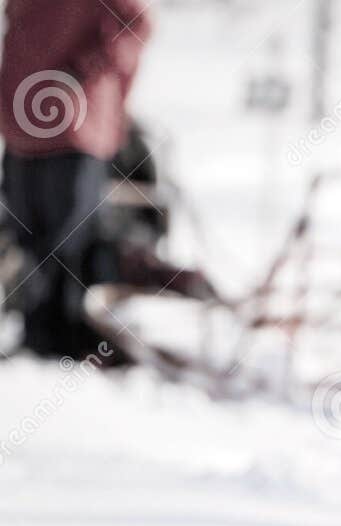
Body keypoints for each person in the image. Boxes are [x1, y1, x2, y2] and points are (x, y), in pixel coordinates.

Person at [1, 0, 210, 363]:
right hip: (21, 123)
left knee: (66, 237)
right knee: (27, 233)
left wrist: (84, 71)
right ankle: (37, 331)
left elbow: (136, 22)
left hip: (74, 127)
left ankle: (63, 334)